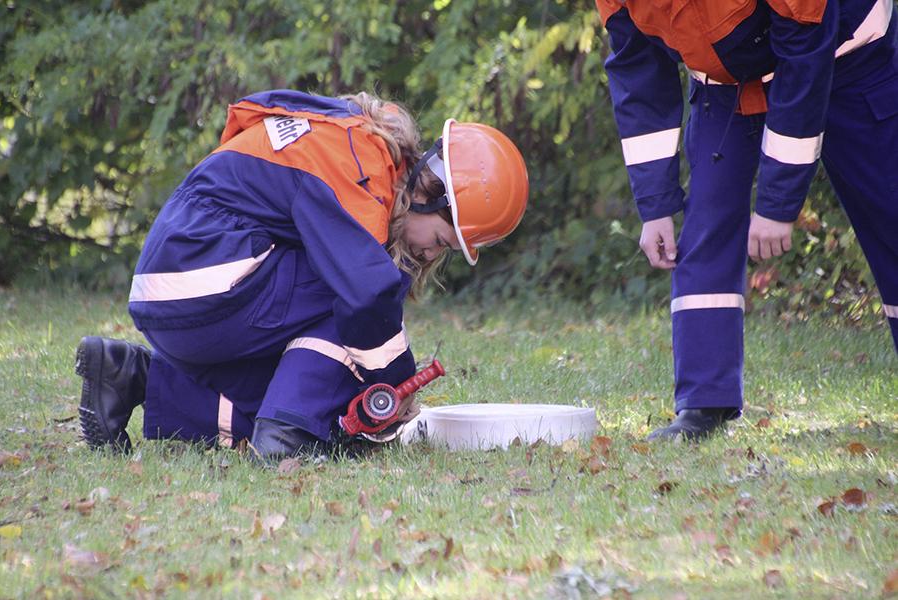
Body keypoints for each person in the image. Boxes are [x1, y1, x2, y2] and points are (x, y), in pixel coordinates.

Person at [75, 89, 528, 460]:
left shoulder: (353, 142)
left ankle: (131, 377)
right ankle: (284, 438)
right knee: (359, 299)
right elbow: (365, 296)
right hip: (207, 273)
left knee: (316, 408)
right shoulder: (362, 167)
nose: (431, 253)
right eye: (442, 240)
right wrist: (394, 383)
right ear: (430, 191)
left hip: (179, 285)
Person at [594, 0, 898, 440]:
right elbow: (638, 75)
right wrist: (655, 204)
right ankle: (703, 406)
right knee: (706, 224)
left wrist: (777, 205)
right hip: (728, 84)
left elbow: (804, 57)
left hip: (846, 58)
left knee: (889, 214)